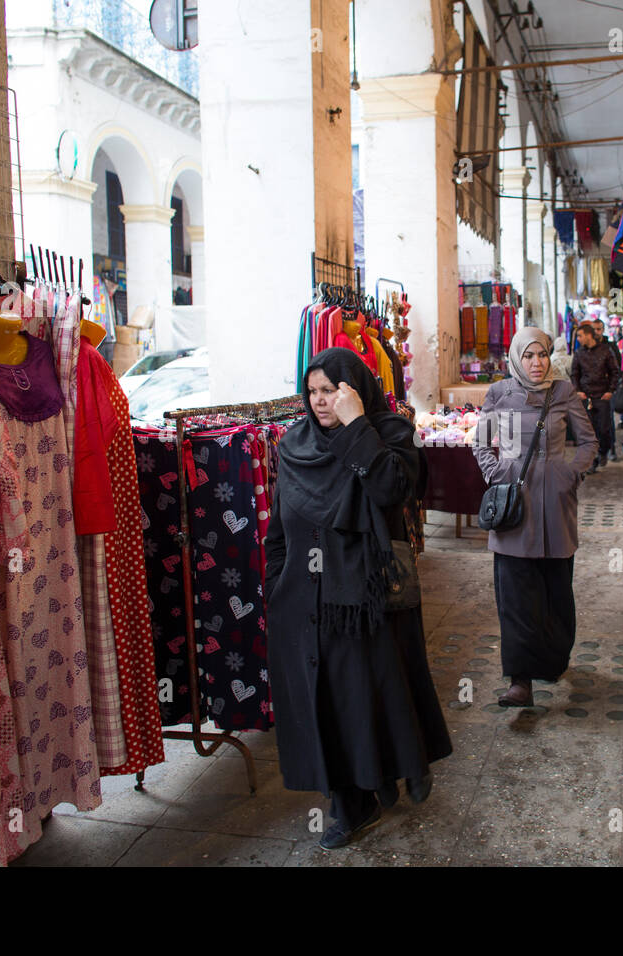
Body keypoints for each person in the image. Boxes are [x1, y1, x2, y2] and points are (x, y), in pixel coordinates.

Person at [265, 347, 452, 849]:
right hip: (306, 597)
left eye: (332, 390)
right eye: (313, 392)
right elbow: (280, 524)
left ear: (355, 389)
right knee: (326, 703)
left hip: (366, 596)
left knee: (369, 695)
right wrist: (275, 585)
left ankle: (385, 777)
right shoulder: (295, 444)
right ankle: (349, 803)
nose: (321, 401)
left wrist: (354, 427)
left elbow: (392, 489)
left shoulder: (388, 433)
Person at [473, 327, 597, 707]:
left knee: (556, 591)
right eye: (528, 356)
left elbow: (589, 441)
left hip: (556, 506)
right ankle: (520, 680)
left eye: (542, 354)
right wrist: (497, 473)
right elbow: (482, 441)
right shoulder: (500, 393)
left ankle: (553, 660)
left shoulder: (563, 393)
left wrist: (570, 473)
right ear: (516, 358)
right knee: (515, 596)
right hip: (515, 505)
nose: (537, 363)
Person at [570, 322, 621, 470]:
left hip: (602, 397)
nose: (578, 339)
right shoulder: (579, 354)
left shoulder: (606, 351)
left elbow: (615, 372)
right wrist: (578, 390)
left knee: (604, 429)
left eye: (580, 335)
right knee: (588, 431)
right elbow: (575, 374)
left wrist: (611, 390)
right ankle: (592, 460)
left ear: (588, 335)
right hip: (586, 397)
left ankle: (603, 451)